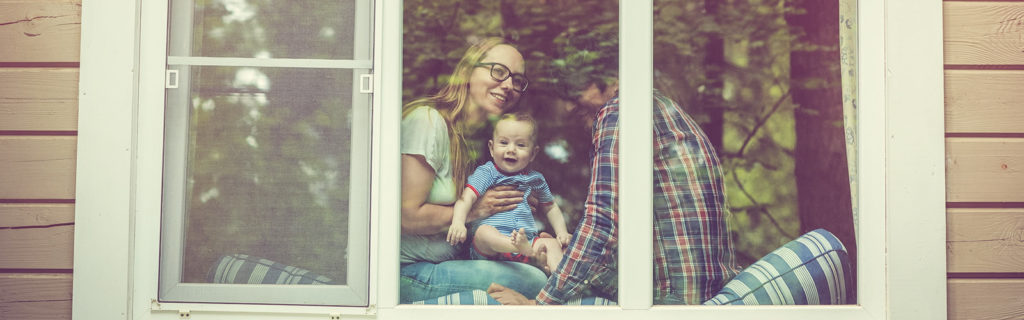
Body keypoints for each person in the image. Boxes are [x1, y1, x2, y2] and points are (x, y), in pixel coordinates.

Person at [488, 80, 740, 305]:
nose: (567, 108)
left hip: (671, 302)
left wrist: (540, 306)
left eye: (575, 91)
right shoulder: (665, 111)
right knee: (557, 252)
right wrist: (566, 254)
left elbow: (603, 223)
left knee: (538, 264)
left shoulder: (622, 109)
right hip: (699, 291)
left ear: (609, 80)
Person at [399, 37, 548, 303]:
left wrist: (517, 211)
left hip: (450, 262)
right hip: (404, 272)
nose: (508, 86)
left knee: (539, 262)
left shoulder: (485, 143)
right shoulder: (427, 121)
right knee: (534, 281)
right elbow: (406, 216)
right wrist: (477, 209)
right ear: (468, 70)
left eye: (517, 80)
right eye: (499, 71)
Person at [447, 113, 572, 274]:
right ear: (491, 148)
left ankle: (560, 281)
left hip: (526, 241)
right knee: (484, 233)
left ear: (533, 153)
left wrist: (561, 232)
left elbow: (550, 206)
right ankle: (518, 248)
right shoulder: (487, 173)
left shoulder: (536, 179)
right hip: (490, 250)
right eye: (504, 143)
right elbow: (466, 198)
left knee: (552, 244)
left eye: (520, 145)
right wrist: (458, 222)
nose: (511, 150)